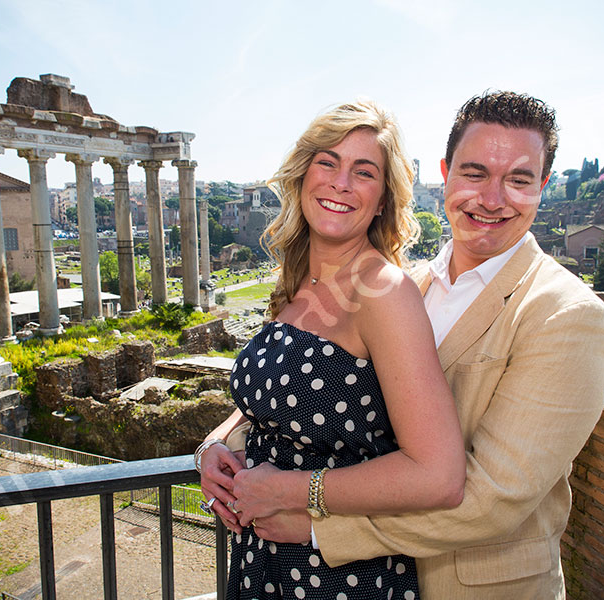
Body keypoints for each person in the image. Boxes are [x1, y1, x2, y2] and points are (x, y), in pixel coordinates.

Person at [246, 91, 604, 599]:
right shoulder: (406, 285)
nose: (491, 198)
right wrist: (224, 446)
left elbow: (492, 499)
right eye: (475, 173)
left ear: (543, 188)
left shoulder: (567, 315)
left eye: (519, 179)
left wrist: (317, 526)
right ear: (445, 173)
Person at [197, 99, 467, 599]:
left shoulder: (385, 292)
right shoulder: (298, 280)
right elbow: (269, 403)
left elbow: (439, 475)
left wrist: (286, 490)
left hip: (339, 575)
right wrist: (211, 447)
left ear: (383, 199)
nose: (340, 182)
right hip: (262, 562)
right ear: (303, 176)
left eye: (363, 172)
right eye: (328, 162)